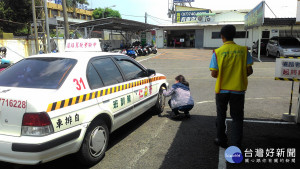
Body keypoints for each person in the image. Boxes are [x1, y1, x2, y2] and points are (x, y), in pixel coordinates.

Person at [209, 25, 253, 148]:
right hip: (238, 90)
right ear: (234, 35)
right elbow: (249, 71)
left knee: (221, 115)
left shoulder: (217, 52)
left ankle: (221, 139)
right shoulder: (244, 51)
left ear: (222, 36)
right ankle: (236, 144)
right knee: (237, 118)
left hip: (221, 89)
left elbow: (214, 74)